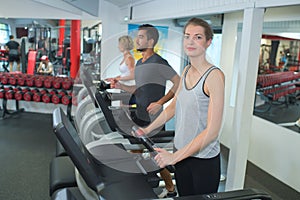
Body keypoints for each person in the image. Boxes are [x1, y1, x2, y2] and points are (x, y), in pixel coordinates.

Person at [137, 18, 225, 197]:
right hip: (181, 152)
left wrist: (173, 157)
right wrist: (147, 130)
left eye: (198, 37)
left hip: (202, 160)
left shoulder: (214, 76)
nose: (191, 41)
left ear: (208, 42)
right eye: (187, 36)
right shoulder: (185, 72)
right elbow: (172, 108)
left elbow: (212, 132)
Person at [115, 24, 180, 198]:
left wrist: (160, 102)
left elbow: (178, 82)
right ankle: (137, 187)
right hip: (139, 115)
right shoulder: (139, 61)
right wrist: (121, 86)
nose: (137, 40)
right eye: (137, 37)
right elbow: (138, 89)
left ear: (150, 41)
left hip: (154, 118)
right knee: (135, 152)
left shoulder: (159, 62)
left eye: (141, 37)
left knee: (156, 156)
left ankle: (171, 189)